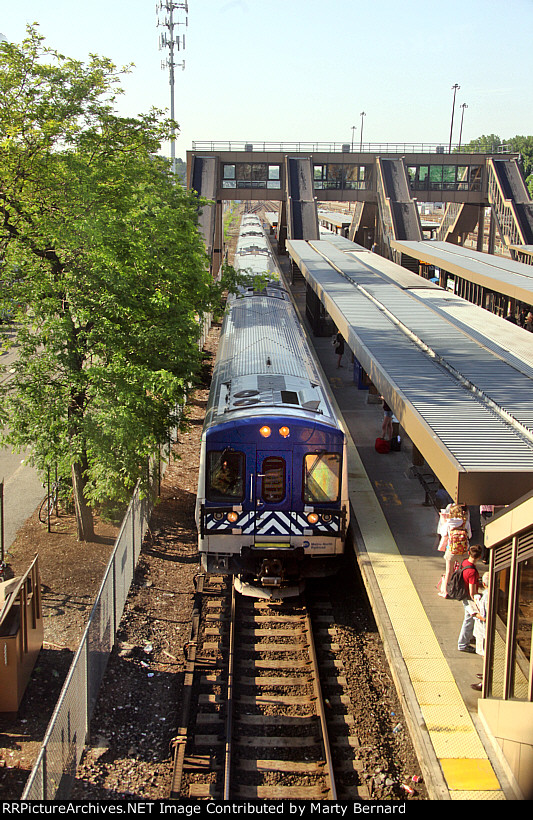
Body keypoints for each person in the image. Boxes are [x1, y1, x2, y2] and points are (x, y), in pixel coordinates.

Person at [438, 503, 471, 597]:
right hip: (463, 551)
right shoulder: (465, 523)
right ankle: (463, 591)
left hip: (451, 551)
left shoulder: (448, 524)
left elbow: (443, 534)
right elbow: (470, 535)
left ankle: (445, 592)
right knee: (463, 571)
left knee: (449, 571)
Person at [458, 545, 483, 653]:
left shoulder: (464, 563)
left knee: (469, 620)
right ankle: (463, 644)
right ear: (479, 557)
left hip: (463, 594)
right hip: (469, 598)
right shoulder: (472, 572)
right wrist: (477, 603)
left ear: (469, 553)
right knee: (468, 620)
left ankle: (468, 637)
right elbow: (472, 592)